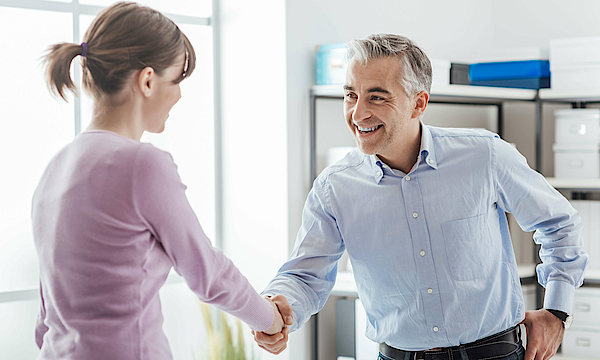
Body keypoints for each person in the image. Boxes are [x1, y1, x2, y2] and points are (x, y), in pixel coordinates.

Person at [253, 34, 589, 360]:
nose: (357, 114)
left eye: (377, 97)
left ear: (418, 103)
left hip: (493, 353)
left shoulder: (485, 156)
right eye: (350, 95)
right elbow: (305, 275)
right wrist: (278, 305)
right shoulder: (333, 188)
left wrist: (557, 311)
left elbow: (559, 224)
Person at [32, 2, 284, 359]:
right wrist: (269, 318)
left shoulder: (54, 168)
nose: (179, 94)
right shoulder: (141, 164)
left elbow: (45, 319)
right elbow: (207, 272)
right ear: (147, 80)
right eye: (176, 79)